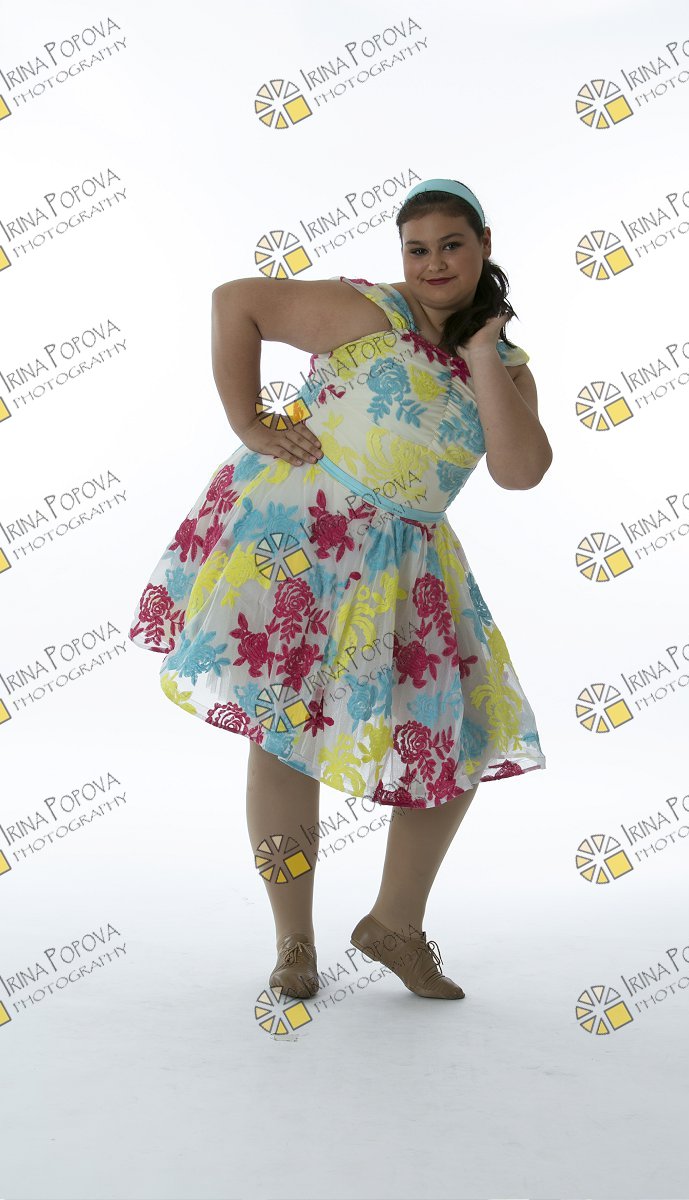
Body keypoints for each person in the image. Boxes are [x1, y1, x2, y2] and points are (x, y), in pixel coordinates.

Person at [128, 177, 553, 1004]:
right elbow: (236, 301)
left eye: (451, 245)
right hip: (303, 540)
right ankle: (293, 940)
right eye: (417, 248)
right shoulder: (369, 312)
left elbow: (521, 471)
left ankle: (394, 923)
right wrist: (249, 420)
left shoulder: (505, 367)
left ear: (484, 245)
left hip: (408, 563)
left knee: (456, 739)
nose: (433, 263)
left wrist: (480, 352)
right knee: (285, 732)